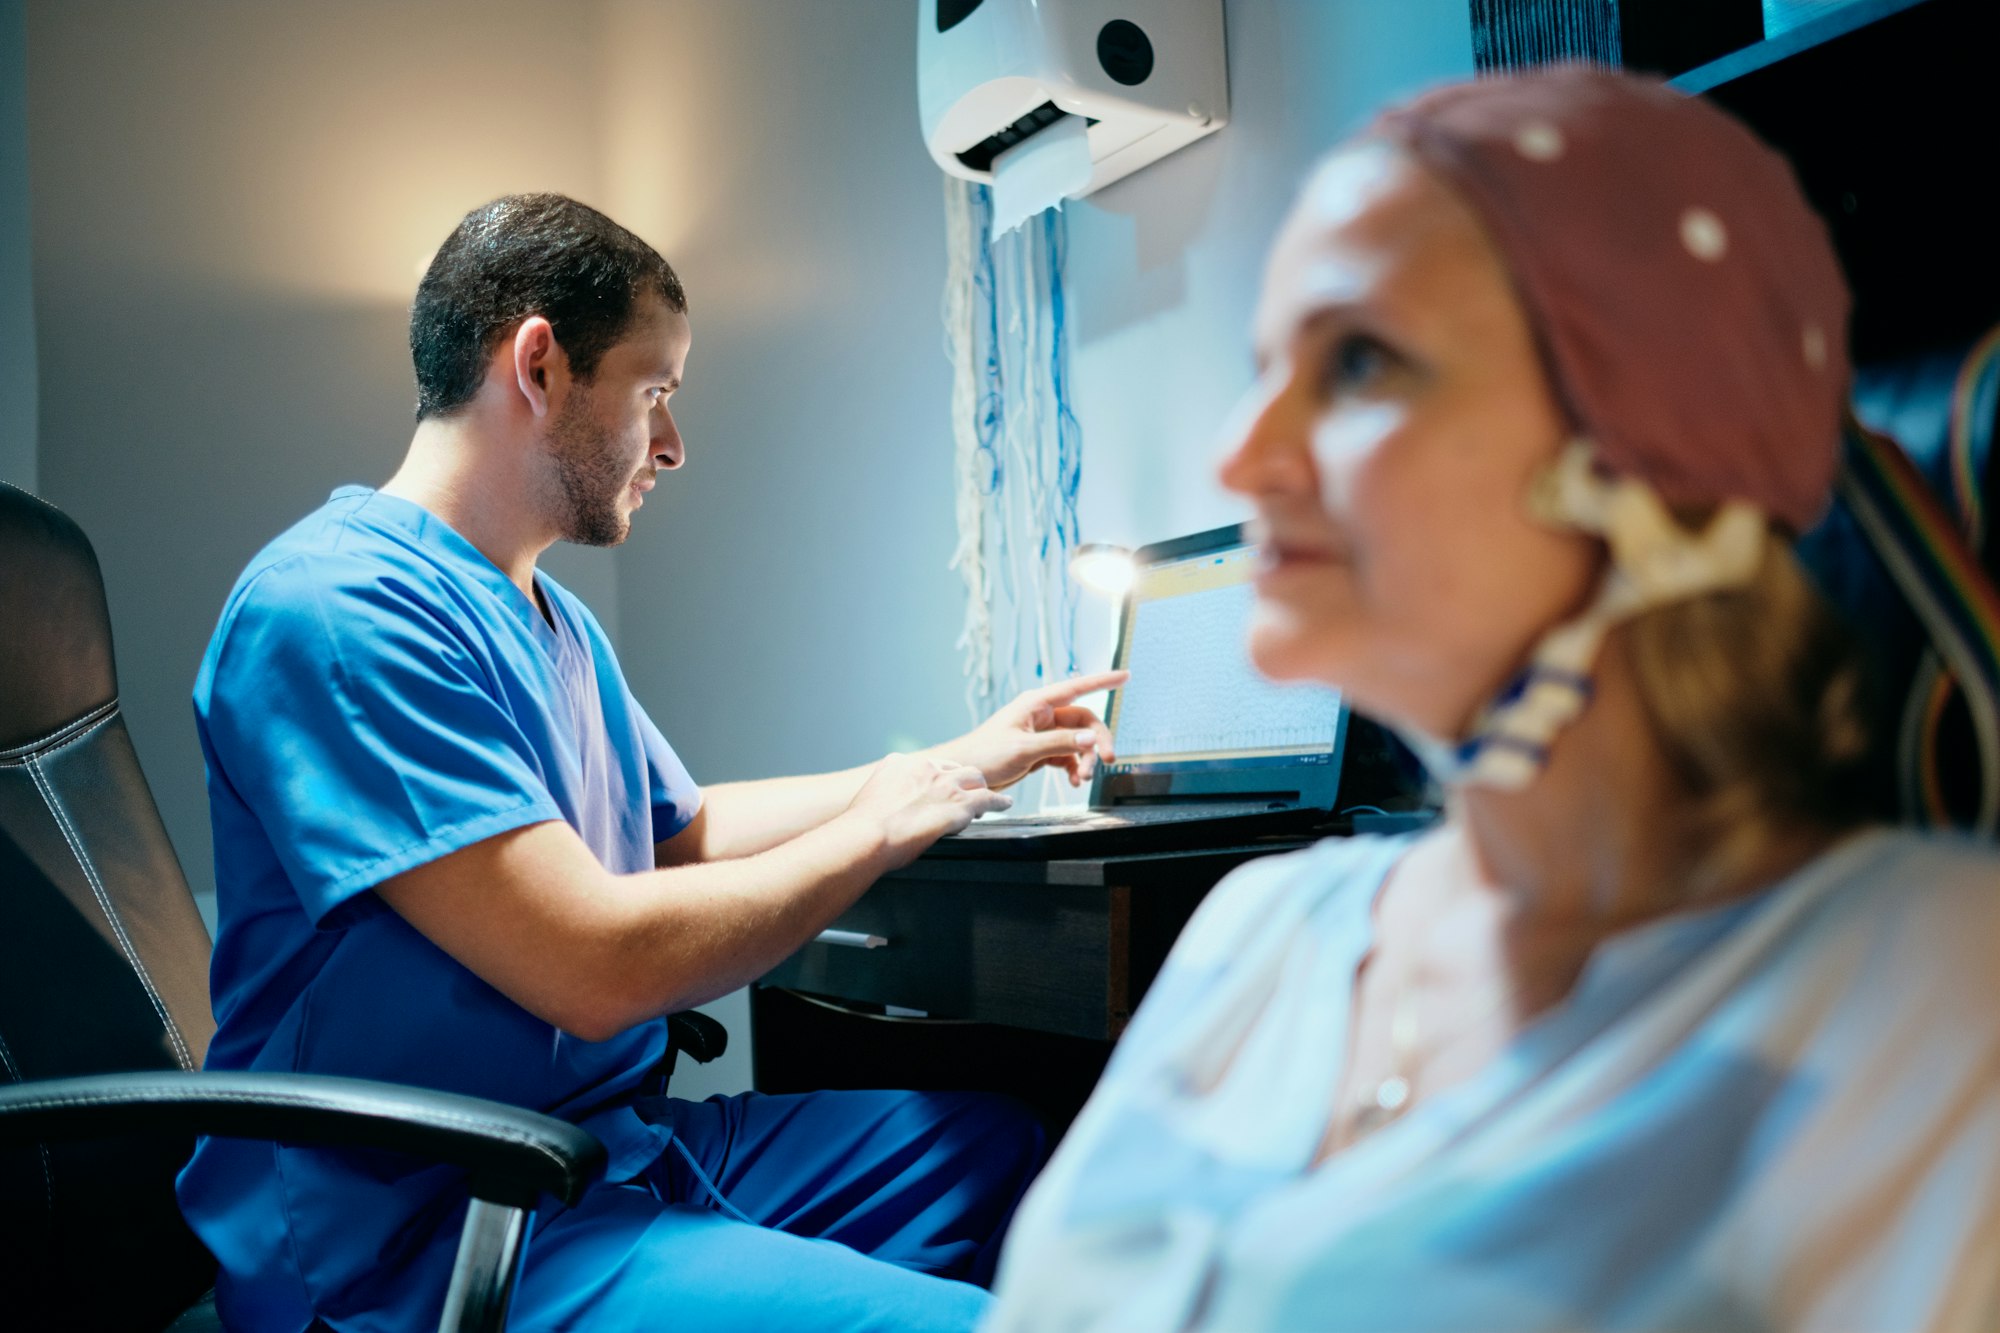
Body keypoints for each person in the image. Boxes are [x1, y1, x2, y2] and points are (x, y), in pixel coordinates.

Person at [985, 67, 2000, 1331]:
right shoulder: (1262, 927)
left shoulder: (1926, 999)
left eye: (1357, 361)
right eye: (1265, 366)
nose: (1238, 456)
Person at [175, 193, 1124, 1333]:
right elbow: (594, 967)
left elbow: (678, 828)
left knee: (1008, 1150)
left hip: (603, 1151)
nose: (672, 443)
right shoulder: (335, 610)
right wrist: (875, 828)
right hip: (429, 1228)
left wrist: (954, 763)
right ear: (539, 363)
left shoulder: (553, 620)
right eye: (654, 390)